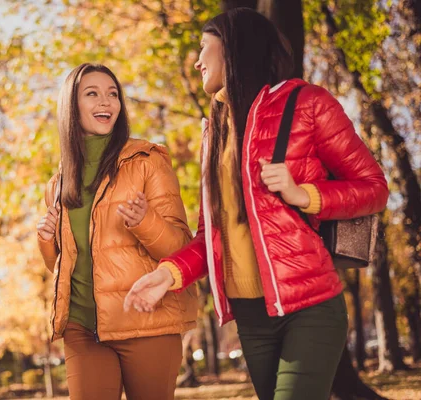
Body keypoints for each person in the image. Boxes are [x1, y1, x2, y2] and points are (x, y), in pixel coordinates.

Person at [124, 8, 389, 400]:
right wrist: (167, 275)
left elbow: (373, 187)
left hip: (309, 305)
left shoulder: (307, 103)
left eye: (203, 48)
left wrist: (305, 195)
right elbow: (210, 236)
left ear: (230, 47)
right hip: (249, 317)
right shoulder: (214, 131)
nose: (196, 61)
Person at [37, 63, 198, 400]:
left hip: (144, 320)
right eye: (92, 94)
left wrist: (145, 221)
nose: (105, 102)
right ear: (71, 105)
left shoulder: (147, 160)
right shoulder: (59, 182)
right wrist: (45, 239)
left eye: (112, 94)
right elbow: (62, 268)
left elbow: (181, 249)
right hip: (82, 327)